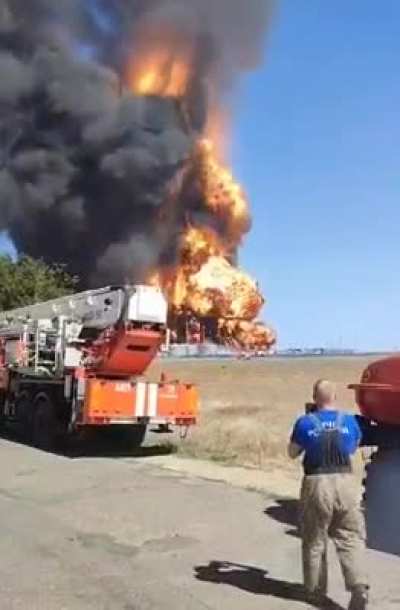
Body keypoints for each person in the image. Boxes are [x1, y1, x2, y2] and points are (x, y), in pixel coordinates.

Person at [288, 379, 369, 610]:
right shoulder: (350, 422)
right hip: (345, 483)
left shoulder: (305, 422)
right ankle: (358, 586)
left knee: (314, 539)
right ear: (335, 397)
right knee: (350, 537)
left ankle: (315, 592)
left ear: (314, 397)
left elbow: (292, 453)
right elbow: (352, 448)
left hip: (317, 482)